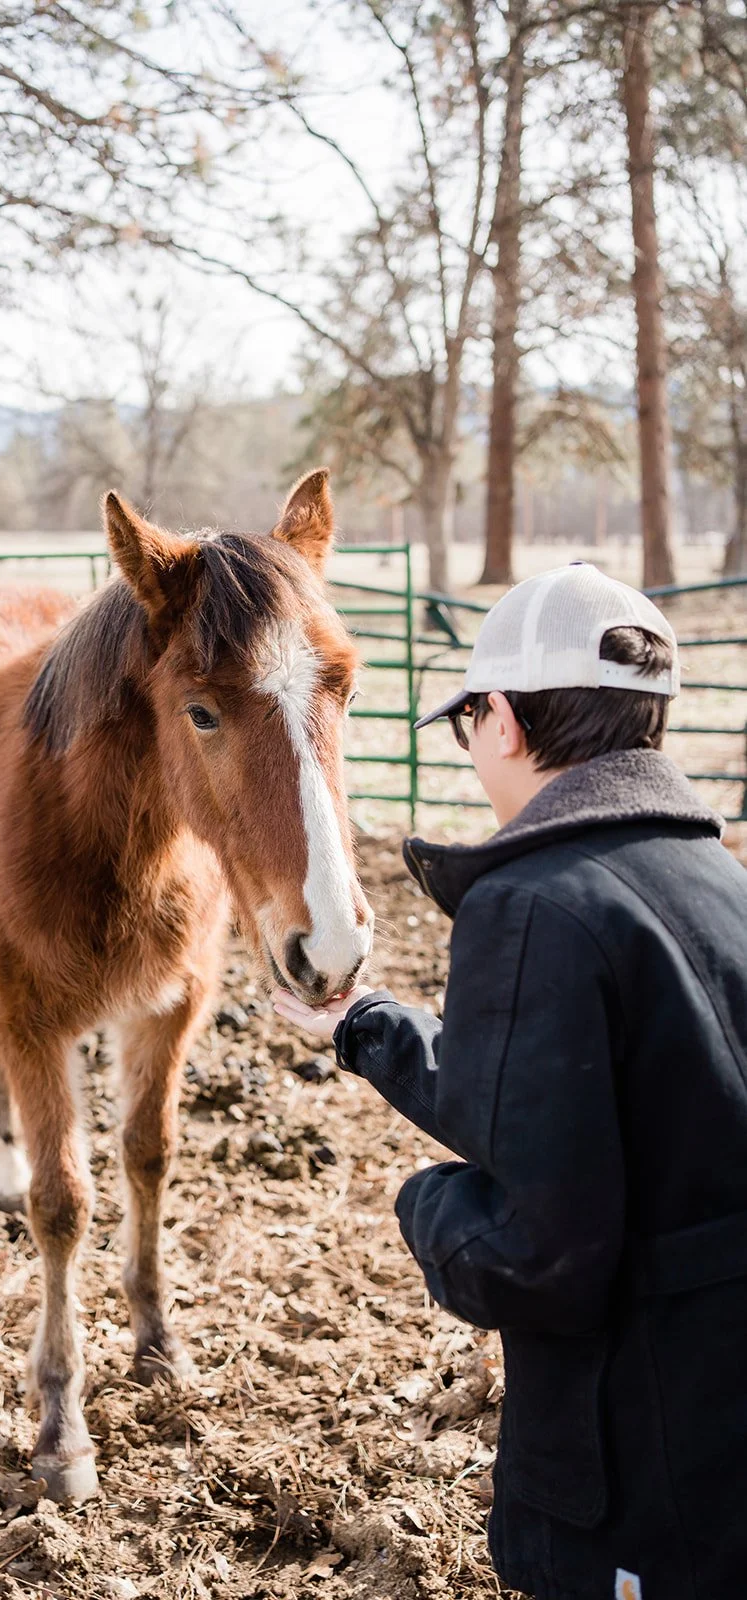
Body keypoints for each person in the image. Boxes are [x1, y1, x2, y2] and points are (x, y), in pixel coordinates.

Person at [273, 563, 747, 1600]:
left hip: (634, 1462)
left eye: (465, 720)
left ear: (497, 719)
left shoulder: (531, 902)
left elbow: (538, 1252)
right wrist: (366, 1027)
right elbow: (569, 1106)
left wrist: (425, 1205)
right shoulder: (714, 879)